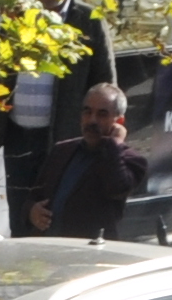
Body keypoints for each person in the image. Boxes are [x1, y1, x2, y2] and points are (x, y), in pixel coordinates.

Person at [31, 82, 143, 239]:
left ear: (119, 122)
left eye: (102, 114)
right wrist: (32, 211)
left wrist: (115, 142)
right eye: (87, 112)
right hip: (49, 249)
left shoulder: (131, 160)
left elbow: (117, 188)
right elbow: (34, 196)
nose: (92, 120)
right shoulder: (62, 150)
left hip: (90, 254)